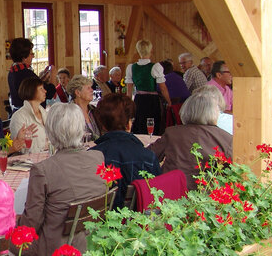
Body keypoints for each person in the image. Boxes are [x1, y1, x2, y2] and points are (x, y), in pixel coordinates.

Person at [16, 103, 108, 255]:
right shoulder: (98, 157)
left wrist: (13, 221)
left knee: (9, 241)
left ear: (50, 131)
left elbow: (30, 224)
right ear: (81, 129)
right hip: (94, 242)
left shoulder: (42, 170)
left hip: (57, 248)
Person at [148, 92, 232, 190]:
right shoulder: (226, 138)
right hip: (206, 198)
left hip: (170, 194)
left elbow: (149, 156)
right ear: (214, 114)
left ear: (186, 110)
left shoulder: (172, 133)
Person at [92, 94, 161, 209]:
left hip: (101, 222)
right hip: (138, 222)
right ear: (129, 124)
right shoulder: (149, 157)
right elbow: (157, 199)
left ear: (103, 125)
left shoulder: (92, 156)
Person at [126, 40, 171, 135]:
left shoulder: (131, 67)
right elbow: (163, 88)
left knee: (139, 124)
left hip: (138, 100)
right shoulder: (156, 67)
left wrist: (128, 105)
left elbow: (129, 91)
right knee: (152, 125)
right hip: (152, 101)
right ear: (151, 50)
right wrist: (169, 102)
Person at [7, 38, 56, 111]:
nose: (33, 56)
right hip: (30, 114)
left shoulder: (12, 72)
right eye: (31, 54)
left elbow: (32, 87)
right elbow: (49, 93)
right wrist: (53, 76)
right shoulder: (26, 73)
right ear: (24, 58)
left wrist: (41, 78)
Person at [9, 77, 48, 153]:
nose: (45, 91)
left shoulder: (44, 113)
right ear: (32, 91)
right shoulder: (19, 117)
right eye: (41, 89)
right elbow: (21, 149)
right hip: (30, 161)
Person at [66, 75, 102, 140]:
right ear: (78, 93)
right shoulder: (68, 113)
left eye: (91, 87)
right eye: (88, 88)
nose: (92, 90)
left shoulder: (93, 110)